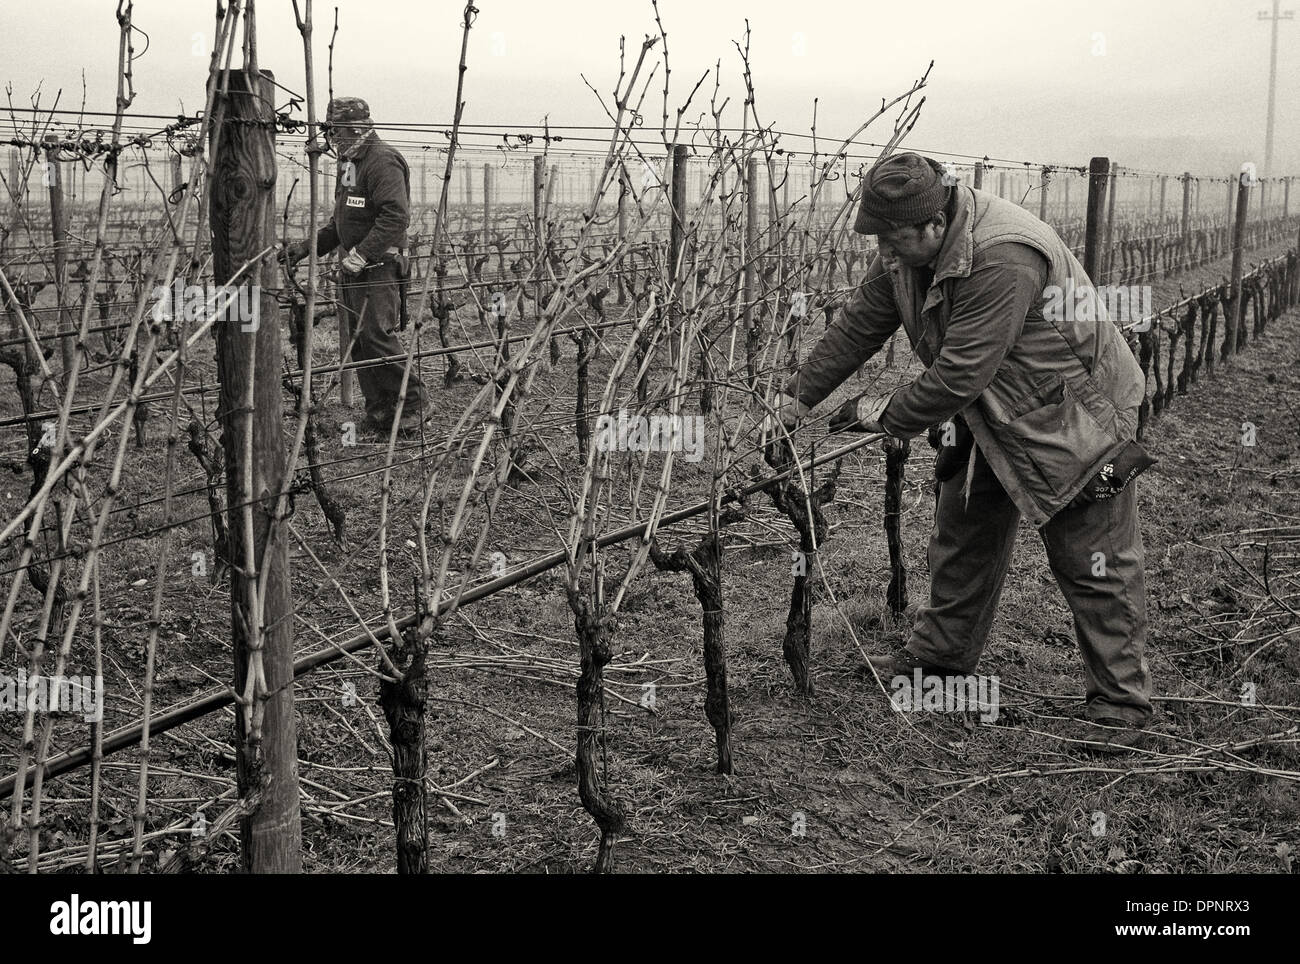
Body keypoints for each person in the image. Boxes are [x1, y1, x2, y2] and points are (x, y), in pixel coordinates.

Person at [769, 152, 1155, 754]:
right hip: (991, 408)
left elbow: (959, 373)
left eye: (894, 240)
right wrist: (795, 399)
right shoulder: (903, 251)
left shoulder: (1004, 256)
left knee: (1092, 558)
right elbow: (860, 323)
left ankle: (1120, 701)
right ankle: (942, 663)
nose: (885, 254)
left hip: (1074, 415)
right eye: (879, 241)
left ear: (934, 222)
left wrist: (882, 415)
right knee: (963, 531)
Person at [285, 96, 426, 437]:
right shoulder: (349, 163)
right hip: (356, 266)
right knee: (360, 341)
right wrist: (305, 249)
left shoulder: (382, 161)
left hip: (380, 264)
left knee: (377, 336)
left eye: (337, 131)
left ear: (357, 129)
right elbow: (341, 223)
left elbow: (396, 215)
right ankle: (380, 410)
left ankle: (414, 405)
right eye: (330, 131)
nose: (332, 138)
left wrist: (362, 254)